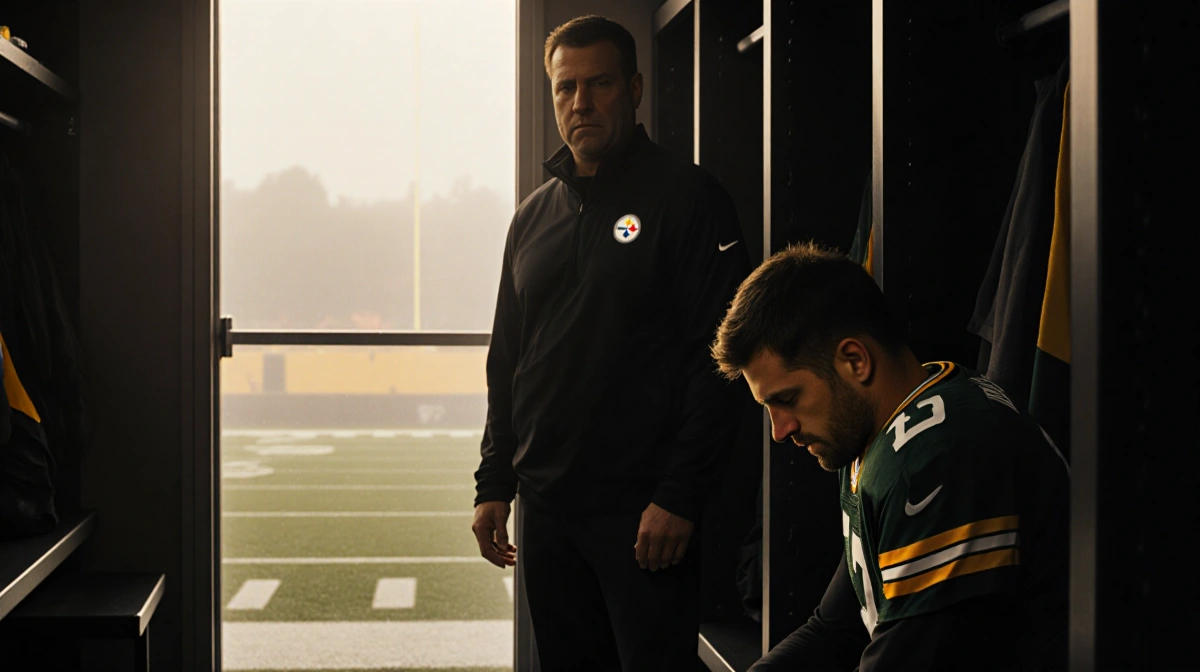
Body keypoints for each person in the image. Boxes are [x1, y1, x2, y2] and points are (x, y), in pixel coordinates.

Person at [470, 14, 752, 671]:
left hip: (644, 519)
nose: (580, 103)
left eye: (598, 84)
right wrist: (494, 482)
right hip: (547, 511)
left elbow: (723, 363)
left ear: (634, 87)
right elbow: (507, 363)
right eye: (565, 88)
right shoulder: (532, 216)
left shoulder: (688, 199)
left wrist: (679, 496)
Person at [711, 242, 1069, 671]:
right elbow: (834, 629)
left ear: (854, 360)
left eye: (787, 398)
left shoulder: (939, 454)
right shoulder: (877, 436)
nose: (780, 429)